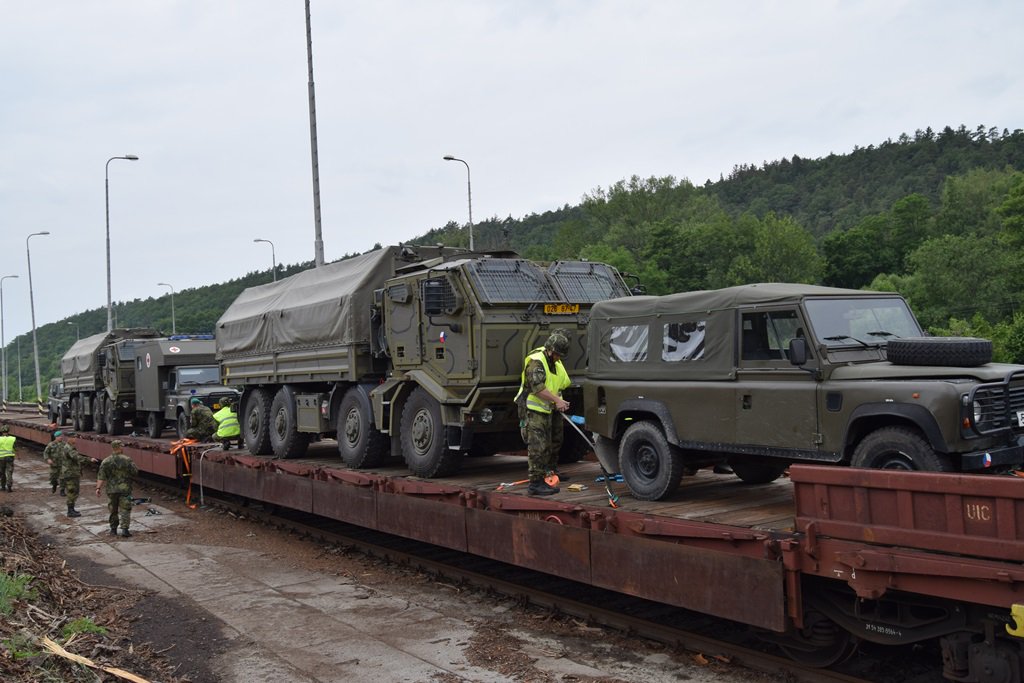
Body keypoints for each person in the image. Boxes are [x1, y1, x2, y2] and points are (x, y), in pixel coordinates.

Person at [514, 332, 571, 496]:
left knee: (555, 440)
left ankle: (550, 473)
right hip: (533, 410)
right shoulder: (536, 362)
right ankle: (535, 483)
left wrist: (559, 400)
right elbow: (537, 389)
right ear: (551, 351)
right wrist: (557, 401)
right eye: (558, 354)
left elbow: (560, 383)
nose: (560, 358)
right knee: (538, 446)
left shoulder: (555, 362)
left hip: (549, 408)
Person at [95, 440, 139, 537]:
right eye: (121, 446)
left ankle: (113, 530)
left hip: (111, 490)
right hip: (125, 489)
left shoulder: (106, 461)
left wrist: (98, 488)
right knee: (125, 509)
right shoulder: (127, 459)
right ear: (119, 447)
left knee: (113, 510)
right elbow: (135, 472)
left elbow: (101, 476)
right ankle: (125, 530)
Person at [60, 433, 87, 518]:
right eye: (74, 438)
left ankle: (71, 509)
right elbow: (76, 457)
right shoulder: (69, 448)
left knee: (74, 491)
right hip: (70, 473)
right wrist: (89, 459)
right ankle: (70, 511)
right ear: (69, 438)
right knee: (72, 491)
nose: (75, 439)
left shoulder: (69, 447)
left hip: (72, 472)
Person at [43, 430, 68, 495]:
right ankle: (54, 485)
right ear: (56, 437)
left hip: (63, 464)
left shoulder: (64, 444)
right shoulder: (51, 444)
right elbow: (46, 453)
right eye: (59, 436)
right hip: (54, 464)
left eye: (61, 436)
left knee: (63, 478)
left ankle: (62, 490)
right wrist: (48, 459)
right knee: (53, 478)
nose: (61, 437)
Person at [0, 424, 15, 492]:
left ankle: (3, 487)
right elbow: (14, 447)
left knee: (2, 472)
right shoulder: (12, 438)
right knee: (9, 472)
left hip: (1, 458)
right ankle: (9, 486)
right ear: (8, 431)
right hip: (9, 457)